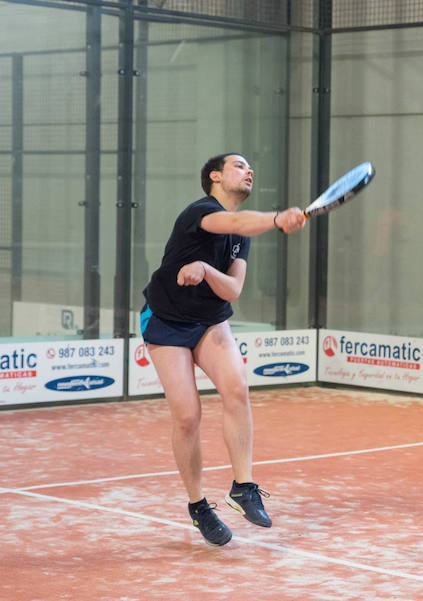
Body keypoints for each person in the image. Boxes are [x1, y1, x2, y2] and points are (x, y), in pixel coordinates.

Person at [140, 153, 307, 546]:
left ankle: (243, 487)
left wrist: (206, 269)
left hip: (211, 320)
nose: (249, 171)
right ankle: (198, 506)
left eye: (252, 168)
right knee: (187, 417)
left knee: (237, 389)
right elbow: (231, 221)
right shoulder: (201, 212)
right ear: (215, 176)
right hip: (166, 321)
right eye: (239, 165)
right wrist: (278, 218)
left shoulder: (242, 237)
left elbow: (232, 289)